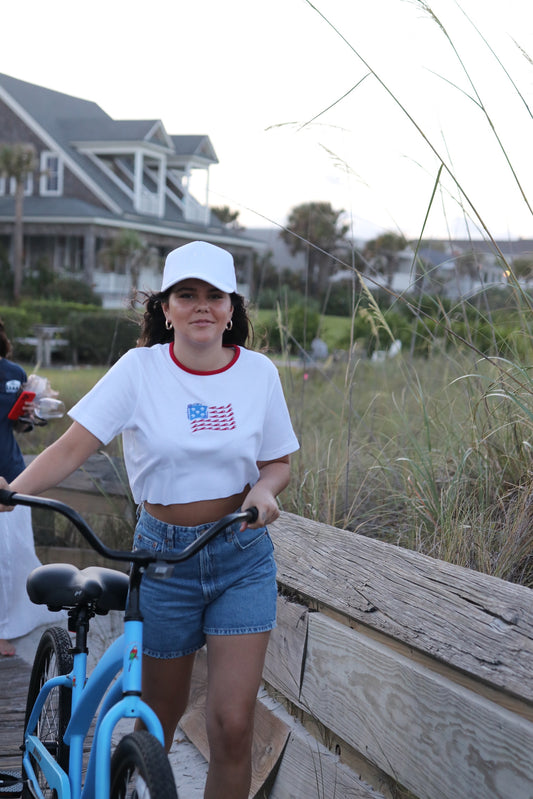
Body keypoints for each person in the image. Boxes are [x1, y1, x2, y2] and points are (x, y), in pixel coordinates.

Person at [0, 241, 299, 799]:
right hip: (162, 561)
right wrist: (11, 493)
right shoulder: (139, 370)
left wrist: (263, 487)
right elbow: (71, 449)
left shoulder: (258, 374)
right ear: (165, 307)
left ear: (232, 308)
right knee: (155, 722)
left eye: (214, 295)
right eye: (187, 295)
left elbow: (277, 461)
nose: (201, 306)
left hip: (240, 557)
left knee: (233, 727)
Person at [0, 320, 60, 656]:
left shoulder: (14, 372)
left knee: (11, 556)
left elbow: (20, 424)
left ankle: (6, 629)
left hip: (11, 477)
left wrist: (31, 414)